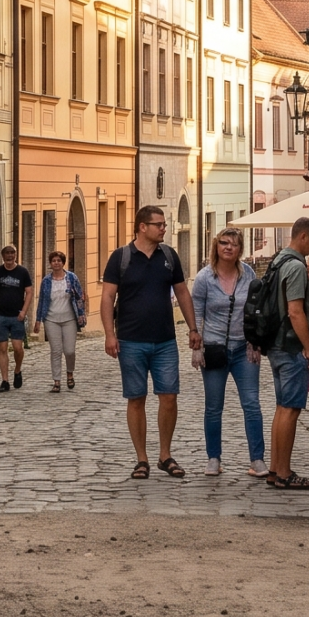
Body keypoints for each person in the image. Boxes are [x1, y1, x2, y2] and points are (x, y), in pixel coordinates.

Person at [99, 204, 198, 479]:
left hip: (165, 340)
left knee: (169, 397)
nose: (164, 228)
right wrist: (110, 334)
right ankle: (141, 458)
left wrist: (193, 328)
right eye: (159, 224)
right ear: (143, 227)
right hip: (131, 340)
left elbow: (182, 292)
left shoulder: (169, 256)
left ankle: (165, 455)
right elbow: (107, 297)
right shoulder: (121, 257)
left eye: (164, 224)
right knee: (136, 398)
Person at [189, 228, 265, 477]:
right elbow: (197, 313)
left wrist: (256, 341)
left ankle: (257, 459)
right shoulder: (204, 278)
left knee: (252, 404)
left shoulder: (248, 274)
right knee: (213, 407)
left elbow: (256, 309)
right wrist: (197, 347)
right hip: (214, 349)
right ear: (216, 246)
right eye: (223, 243)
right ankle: (213, 458)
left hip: (245, 349)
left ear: (240, 249)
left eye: (233, 244)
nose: (228, 247)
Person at [262, 217, 309, 492]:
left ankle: (275, 469)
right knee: (290, 410)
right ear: (304, 237)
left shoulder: (278, 261)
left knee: (281, 408)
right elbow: (295, 311)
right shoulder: (296, 266)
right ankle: (284, 472)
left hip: (275, 344)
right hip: (290, 345)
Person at [0, 245, 35, 392]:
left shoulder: (22, 272)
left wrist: (24, 311)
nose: (10, 256)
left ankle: (17, 370)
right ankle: (4, 381)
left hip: (17, 315)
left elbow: (29, 292)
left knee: (18, 348)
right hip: (1, 315)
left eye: (12, 253)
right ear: (3, 255)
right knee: (3, 348)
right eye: (7, 253)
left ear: (16, 255)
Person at [34, 250, 85, 392]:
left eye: (59, 261)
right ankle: (57, 381)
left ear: (63, 263)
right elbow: (42, 301)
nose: (56, 263)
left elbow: (80, 297)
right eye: (54, 261)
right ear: (50, 264)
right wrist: (38, 320)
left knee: (69, 350)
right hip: (51, 319)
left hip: (69, 319)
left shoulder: (71, 278)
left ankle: (70, 372)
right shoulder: (46, 281)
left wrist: (81, 315)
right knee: (55, 350)